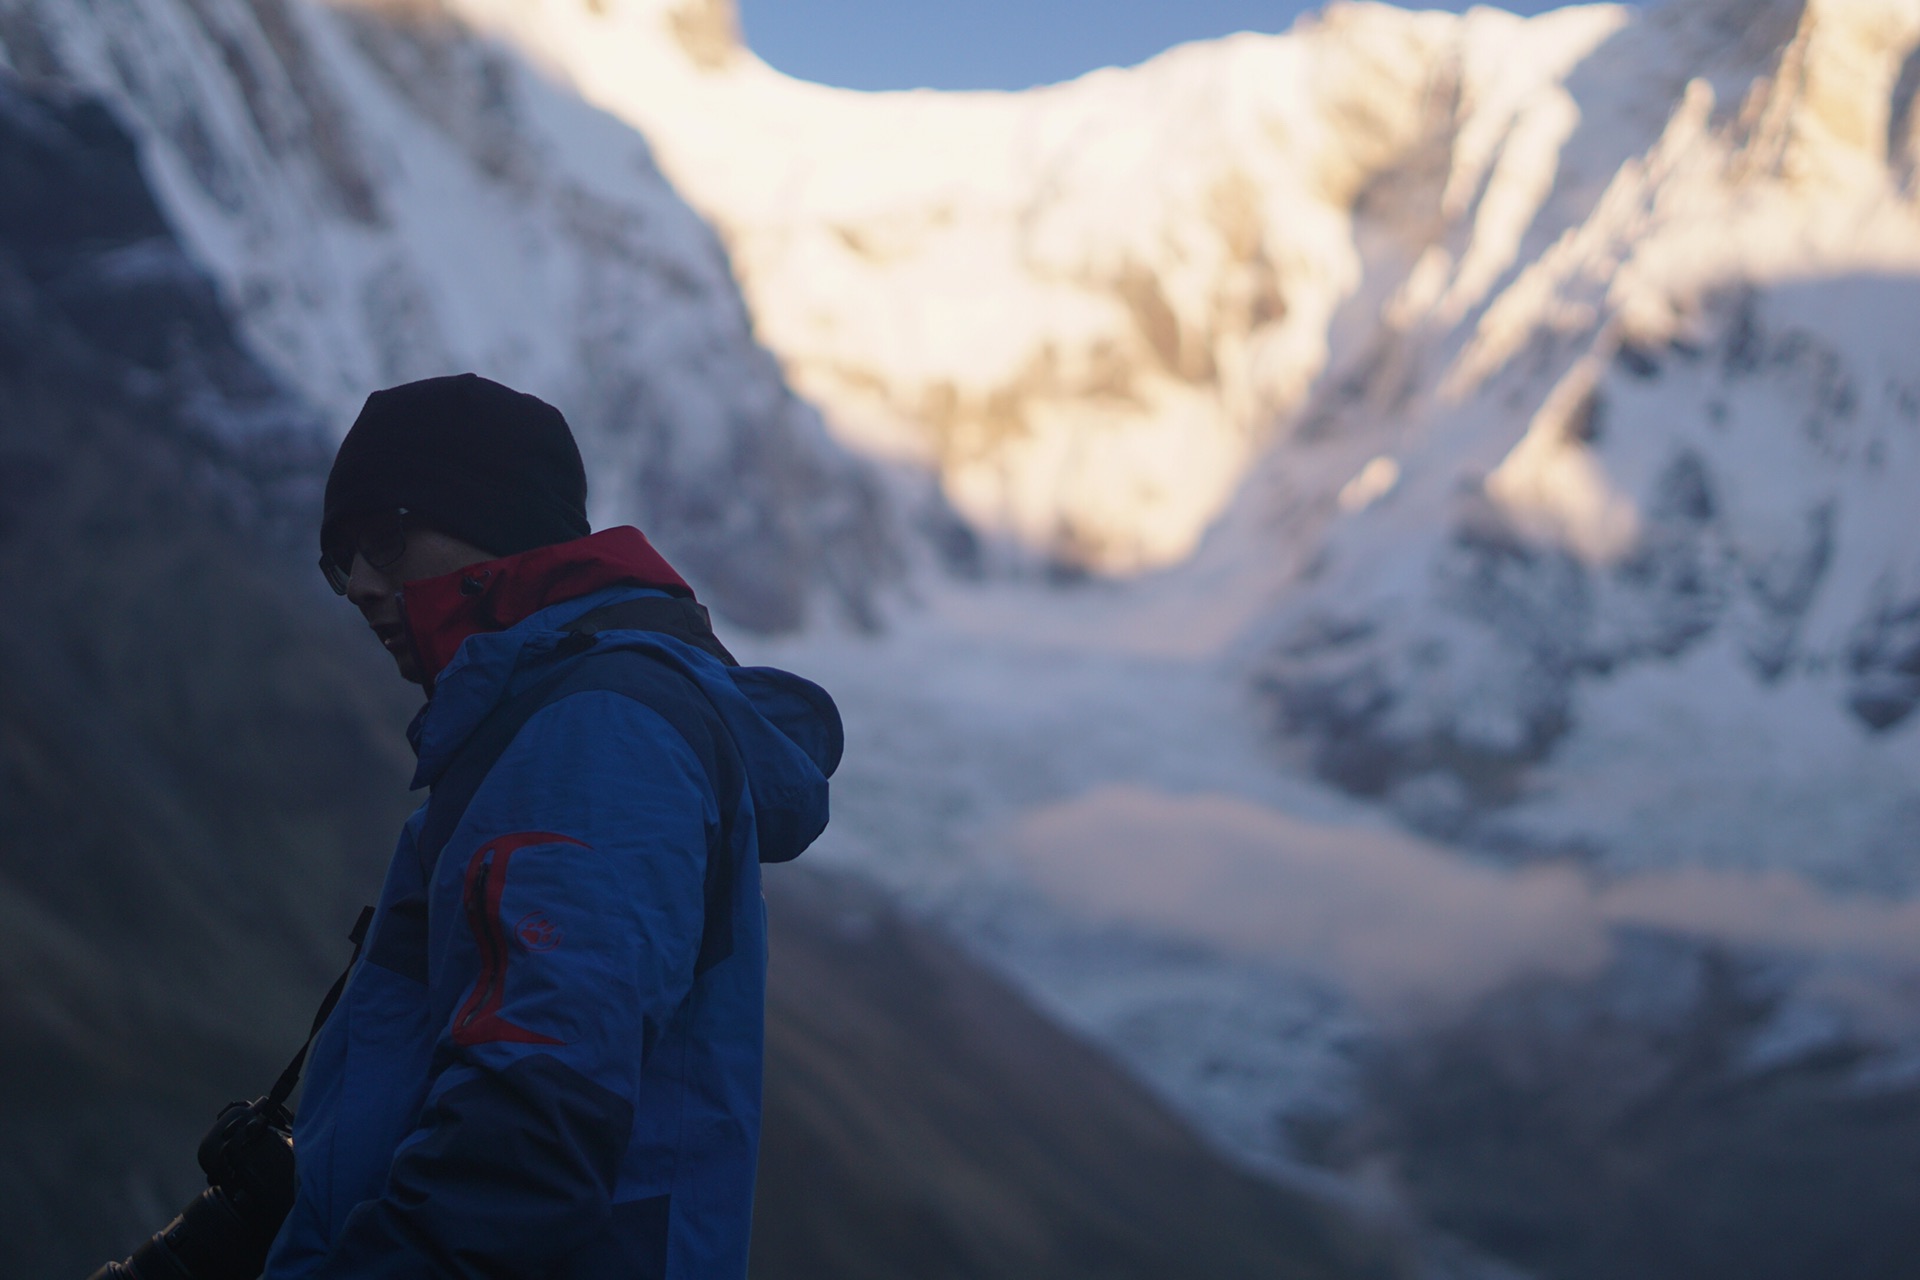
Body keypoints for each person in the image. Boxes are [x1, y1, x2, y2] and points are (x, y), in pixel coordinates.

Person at [263, 373, 841, 1279]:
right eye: (340, 561)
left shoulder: (596, 733)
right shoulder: (536, 725)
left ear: (491, 520)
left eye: (385, 539)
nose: (362, 587)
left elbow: (530, 1130)